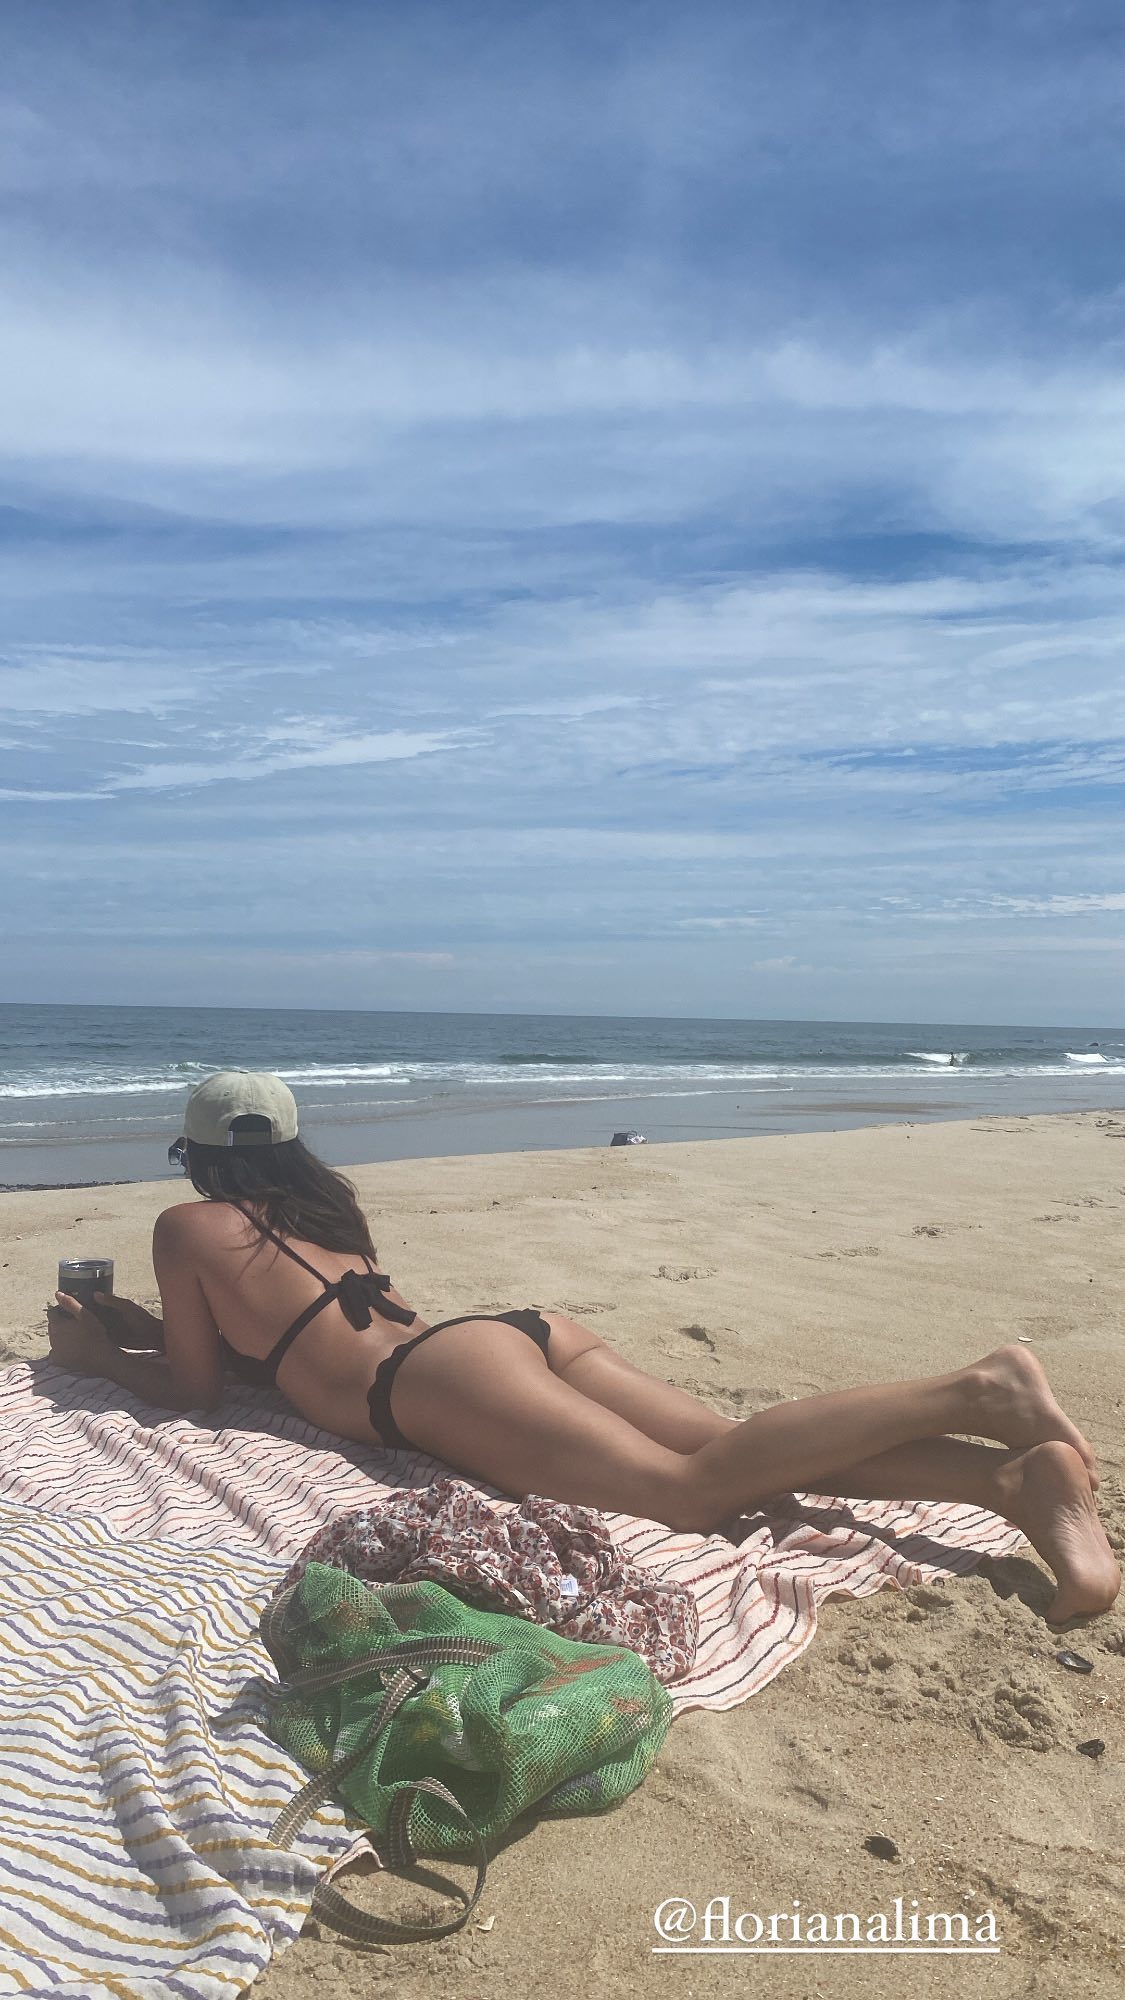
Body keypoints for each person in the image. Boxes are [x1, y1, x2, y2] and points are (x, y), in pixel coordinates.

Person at [48, 1071, 1119, 1627]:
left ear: (193, 1153)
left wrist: (101, 1362)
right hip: (507, 1338)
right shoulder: (325, 1209)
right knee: (737, 1449)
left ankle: (977, 1388)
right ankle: (1008, 1483)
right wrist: (140, 1329)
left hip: (426, 1384)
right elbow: (281, 1335)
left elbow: (196, 1393)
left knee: (688, 1495)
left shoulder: (185, 1226)